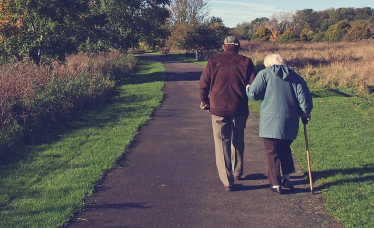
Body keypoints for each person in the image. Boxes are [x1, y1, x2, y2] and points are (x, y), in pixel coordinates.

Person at [246, 54, 313, 194]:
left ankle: (275, 183)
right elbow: (304, 98)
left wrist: (247, 88)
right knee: (285, 148)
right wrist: (305, 112)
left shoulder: (265, 74)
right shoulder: (295, 76)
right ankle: (287, 177)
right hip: (290, 120)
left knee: (272, 151)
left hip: (270, 121)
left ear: (268, 64)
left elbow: (253, 94)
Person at [199, 36, 257, 191]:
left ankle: (227, 180)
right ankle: (237, 170)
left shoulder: (214, 60)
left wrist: (204, 101)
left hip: (218, 107)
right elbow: (254, 84)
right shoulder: (246, 61)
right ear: (238, 47)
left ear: (224, 46)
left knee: (221, 143)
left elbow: (204, 82)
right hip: (239, 107)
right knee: (238, 139)